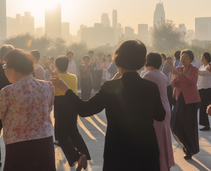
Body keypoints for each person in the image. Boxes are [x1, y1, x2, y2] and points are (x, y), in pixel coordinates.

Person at [51, 40, 166, 171]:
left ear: (118, 59)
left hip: (119, 151)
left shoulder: (111, 87)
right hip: (147, 151)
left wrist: (65, 88)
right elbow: (160, 115)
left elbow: (84, 109)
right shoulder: (151, 87)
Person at [0, 49, 56, 171]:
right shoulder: (48, 87)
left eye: (5, 66)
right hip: (45, 143)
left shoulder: (8, 92)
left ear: (12, 68)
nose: (4, 69)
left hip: (19, 147)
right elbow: (48, 109)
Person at [45, 55, 90, 169]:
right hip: (72, 102)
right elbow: (57, 74)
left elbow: (54, 82)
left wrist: (49, 66)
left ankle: (76, 157)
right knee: (73, 130)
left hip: (61, 103)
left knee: (62, 134)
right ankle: (83, 152)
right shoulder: (74, 77)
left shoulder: (56, 78)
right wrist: (52, 66)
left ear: (56, 66)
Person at [143, 53, 174, 171]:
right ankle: (165, 164)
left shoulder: (148, 75)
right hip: (165, 108)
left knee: (157, 140)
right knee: (164, 137)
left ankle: (159, 165)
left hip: (156, 110)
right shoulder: (161, 75)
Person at [167, 49, 200, 159]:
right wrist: (175, 75)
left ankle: (189, 149)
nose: (183, 59)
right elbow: (173, 83)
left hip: (191, 100)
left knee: (189, 125)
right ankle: (185, 145)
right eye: (182, 56)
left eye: (185, 57)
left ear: (191, 59)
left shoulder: (194, 69)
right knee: (175, 122)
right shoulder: (178, 68)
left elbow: (192, 81)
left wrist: (179, 74)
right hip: (179, 98)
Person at [197, 52, 211, 131]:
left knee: (203, 107)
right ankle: (205, 124)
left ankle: (206, 125)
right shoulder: (202, 66)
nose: (201, 58)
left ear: (206, 58)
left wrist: (194, 70)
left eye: (202, 57)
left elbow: (205, 73)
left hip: (208, 89)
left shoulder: (209, 66)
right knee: (202, 106)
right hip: (201, 88)